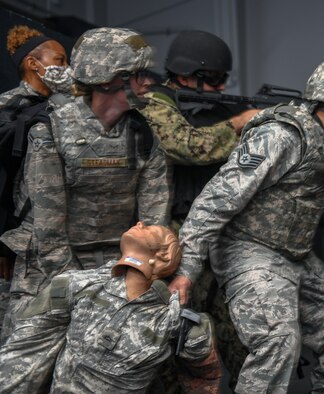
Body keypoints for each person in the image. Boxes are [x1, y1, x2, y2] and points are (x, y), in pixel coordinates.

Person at [169, 58, 324, 393]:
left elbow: (312, 205)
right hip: (248, 249)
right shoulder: (281, 136)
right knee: (277, 340)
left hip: (292, 255)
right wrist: (187, 270)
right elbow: (214, 201)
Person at [0, 27, 171, 343]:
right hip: (48, 269)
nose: (148, 83)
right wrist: (85, 291)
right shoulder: (50, 129)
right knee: (24, 373)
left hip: (117, 266)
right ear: (106, 79)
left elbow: (153, 227)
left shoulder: (144, 137)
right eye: (138, 75)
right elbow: (49, 231)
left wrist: (136, 276)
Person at [138, 30, 259, 388]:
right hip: (171, 232)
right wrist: (238, 124)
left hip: (218, 232)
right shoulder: (155, 103)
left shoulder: (209, 109)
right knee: (175, 329)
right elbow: (186, 147)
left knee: (234, 324)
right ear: (190, 75)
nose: (222, 89)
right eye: (216, 80)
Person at [0, 222, 220, 393]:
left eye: (152, 229)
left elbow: (205, 374)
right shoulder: (74, 285)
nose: (141, 223)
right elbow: (24, 352)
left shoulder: (175, 322)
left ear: (164, 256)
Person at [0, 24, 73, 338]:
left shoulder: (67, 110)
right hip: (14, 243)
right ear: (33, 64)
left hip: (54, 240)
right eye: (60, 61)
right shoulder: (8, 108)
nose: (66, 68)